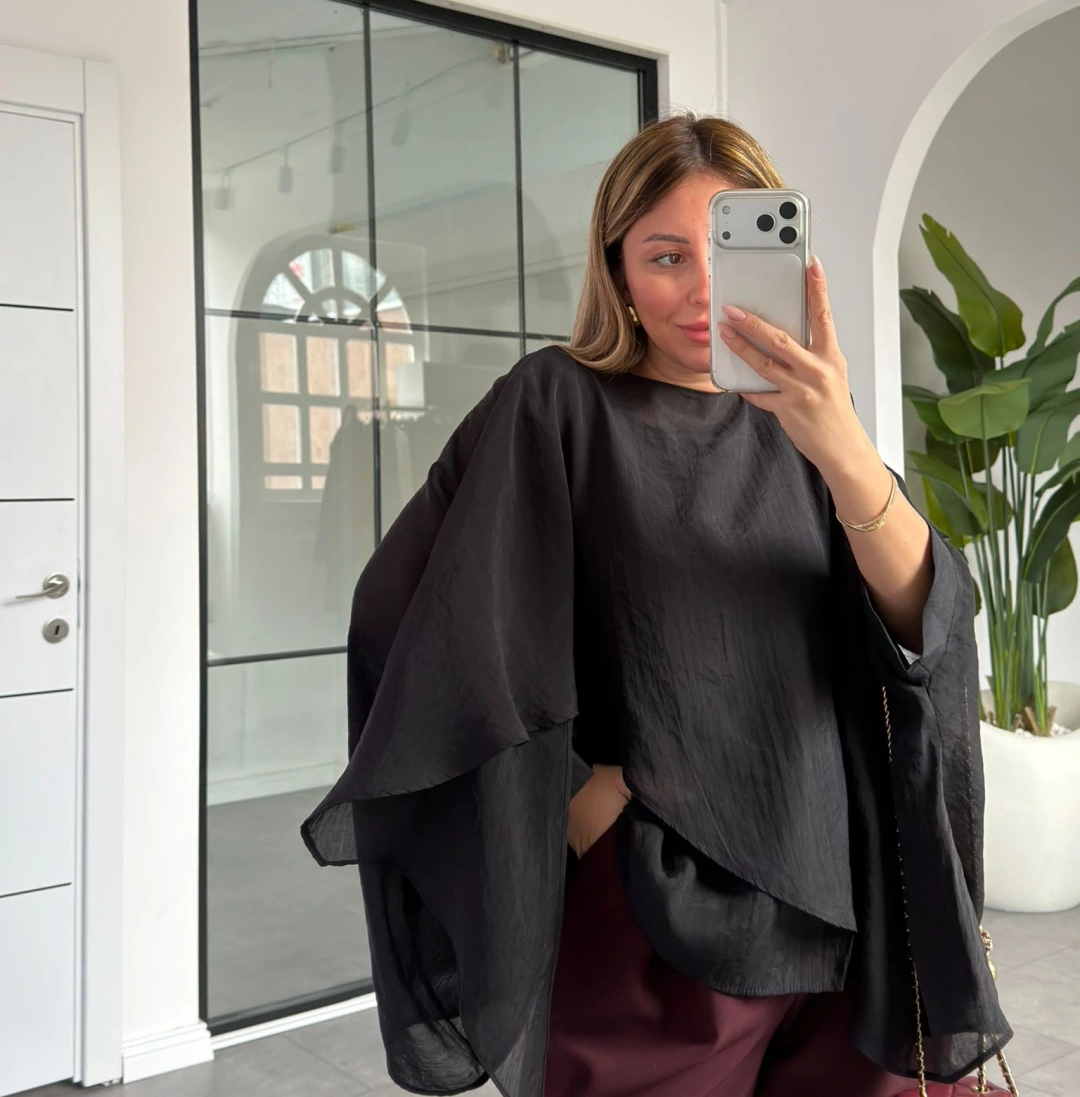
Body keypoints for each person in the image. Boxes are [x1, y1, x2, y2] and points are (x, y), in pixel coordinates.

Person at [301, 114, 1013, 1097]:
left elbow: (926, 621)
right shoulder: (556, 405)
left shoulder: (809, 419)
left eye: (728, 251)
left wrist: (842, 446)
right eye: (666, 256)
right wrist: (580, 800)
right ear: (619, 271)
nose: (704, 288)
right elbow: (409, 618)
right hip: (655, 917)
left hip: (854, 904)